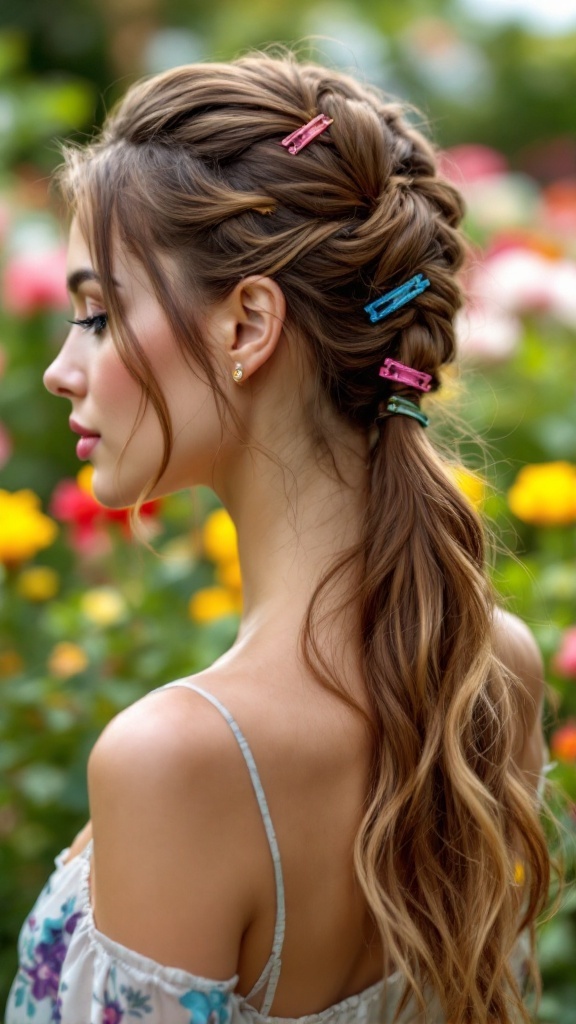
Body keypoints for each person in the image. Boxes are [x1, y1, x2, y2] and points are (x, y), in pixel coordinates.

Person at [6, 51, 553, 1024]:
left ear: (248, 325)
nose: (60, 368)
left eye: (98, 314)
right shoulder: (488, 665)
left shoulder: (177, 758)